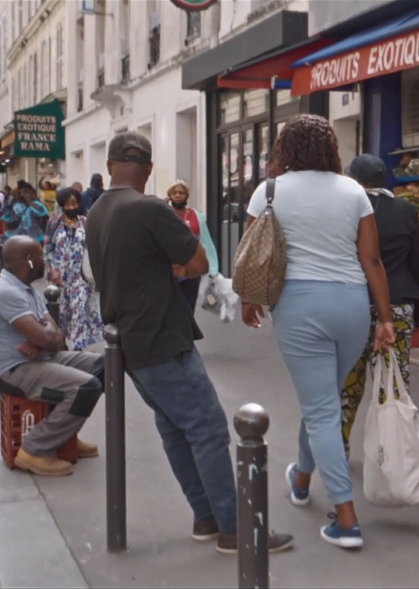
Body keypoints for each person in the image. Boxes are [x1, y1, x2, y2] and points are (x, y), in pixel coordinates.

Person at [85, 131, 294, 555]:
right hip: (162, 335)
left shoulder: (98, 211)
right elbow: (199, 261)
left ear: (109, 167)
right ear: (147, 170)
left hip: (127, 340)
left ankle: (206, 515)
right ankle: (235, 528)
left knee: (175, 428)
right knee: (207, 427)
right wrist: (175, 265)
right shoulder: (150, 209)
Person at [241, 115, 395, 549]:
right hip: (351, 305)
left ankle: (346, 520)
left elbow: (251, 257)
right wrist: (384, 319)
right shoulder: (353, 191)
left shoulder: (268, 190)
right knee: (324, 399)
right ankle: (302, 478)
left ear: (284, 149)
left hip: (298, 305)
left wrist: (248, 300)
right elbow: (372, 261)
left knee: (322, 407)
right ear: (329, 149)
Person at [0, 236, 103, 477]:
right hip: (11, 370)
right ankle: (34, 449)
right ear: (28, 261)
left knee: (103, 366)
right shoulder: (6, 292)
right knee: (86, 387)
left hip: (38, 358)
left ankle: (65, 434)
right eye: (40, 255)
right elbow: (49, 336)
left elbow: (56, 338)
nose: (45, 260)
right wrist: (45, 337)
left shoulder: (28, 291)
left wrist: (43, 339)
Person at [338, 154, 419, 457]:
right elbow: (416, 262)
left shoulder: (347, 209)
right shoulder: (407, 210)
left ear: (354, 180)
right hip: (398, 304)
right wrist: (417, 310)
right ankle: (394, 451)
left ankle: (340, 445)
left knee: (349, 379)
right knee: (394, 379)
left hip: (354, 302)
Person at [44, 187, 103, 351]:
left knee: (79, 310)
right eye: (68, 204)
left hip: (80, 277)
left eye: (74, 203)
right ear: (62, 205)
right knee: (62, 313)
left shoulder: (85, 222)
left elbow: (93, 247)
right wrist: (52, 270)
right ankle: (61, 344)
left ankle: (78, 347)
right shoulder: (53, 223)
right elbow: (47, 250)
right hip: (60, 277)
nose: (71, 207)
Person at [163, 179, 219, 312]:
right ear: (170, 196)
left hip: (192, 271)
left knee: (188, 307)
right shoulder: (164, 214)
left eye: (181, 193)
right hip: (170, 271)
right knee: (170, 309)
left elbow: (206, 242)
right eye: (174, 193)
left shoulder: (197, 215)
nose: (177, 195)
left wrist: (213, 270)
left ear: (186, 195)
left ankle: (188, 332)